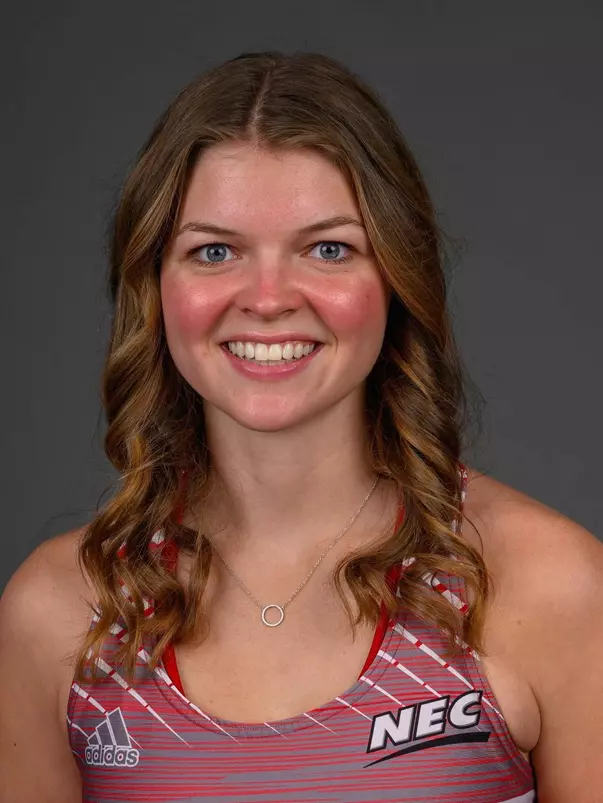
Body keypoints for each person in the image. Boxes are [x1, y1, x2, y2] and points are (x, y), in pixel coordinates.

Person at [1, 50, 602, 803]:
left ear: (394, 276)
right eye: (213, 251)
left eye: (327, 248)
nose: (268, 297)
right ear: (154, 284)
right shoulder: (62, 613)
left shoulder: (545, 584)